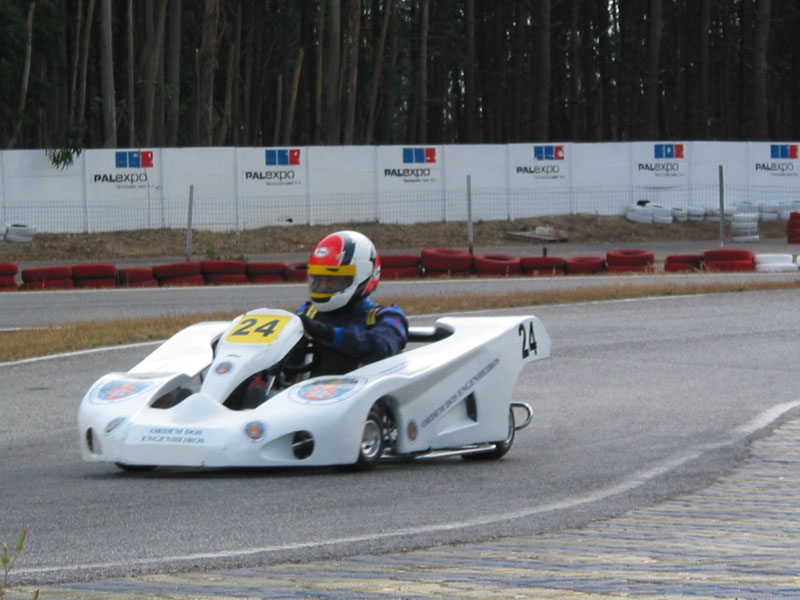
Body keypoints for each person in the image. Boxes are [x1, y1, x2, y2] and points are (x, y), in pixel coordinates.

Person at [296, 230, 408, 376]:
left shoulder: (387, 317)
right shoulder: (307, 313)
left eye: (332, 279)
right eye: (319, 279)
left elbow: (383, 346)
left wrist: (330, 335)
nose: (323, 286)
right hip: (306, 394)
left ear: (363, 276)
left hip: (365, 395)